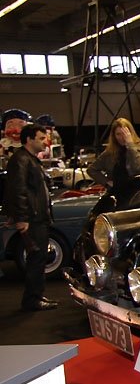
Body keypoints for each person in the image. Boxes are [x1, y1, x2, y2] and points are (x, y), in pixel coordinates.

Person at [3, 123, 57, 311]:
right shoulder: (21, 160)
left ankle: (36, 296)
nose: (45, 142)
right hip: (32, 219)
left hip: (37, 217)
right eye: (41, 138)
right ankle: (33, 299)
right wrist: (21, 217)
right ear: (29, 139)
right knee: (36, 259)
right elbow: (17, 190)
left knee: (39, 258)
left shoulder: (29, 159)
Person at [86, 117, 140, 192]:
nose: (122, 137)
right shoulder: (110, 152)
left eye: (124, 134)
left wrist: (130, 145)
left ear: (130, 133)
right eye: (118, 134)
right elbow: (92, 170)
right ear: (114, 136)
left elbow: (139, 168)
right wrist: (107, 182)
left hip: (138, 191)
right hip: (117, 192)